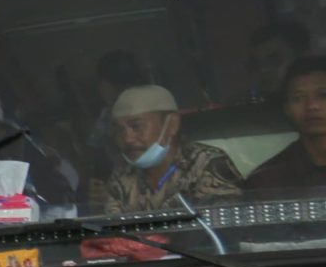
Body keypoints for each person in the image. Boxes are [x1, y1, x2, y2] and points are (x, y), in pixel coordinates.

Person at [89, 84, 244, 215]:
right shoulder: (123, 175)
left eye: (136, 126)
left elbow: (216, 231)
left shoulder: (206, 163)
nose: (127, 139)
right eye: (120, 130)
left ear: (172, 124)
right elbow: (117, 236)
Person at [246, 54, 326, 193]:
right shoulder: (266, 181)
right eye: (298, 98)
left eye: (323, 95)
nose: (312, 106)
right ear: (287, 109)